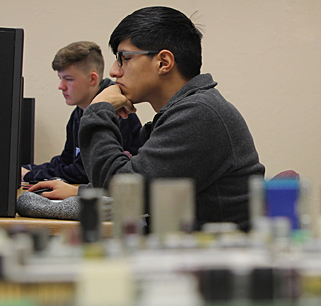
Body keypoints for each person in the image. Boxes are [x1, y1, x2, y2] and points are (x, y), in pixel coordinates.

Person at [78, 6, 265, 230]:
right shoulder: (192, 109)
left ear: (164, 62)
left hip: (210, 259)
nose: (113, 71)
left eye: (124, 58)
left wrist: (98, 109)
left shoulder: (200, 114)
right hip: (193, 252)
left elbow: (125, 193)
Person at [22, 41, 143, 200]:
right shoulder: (79, 112)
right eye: (60, 78)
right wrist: (29, 169)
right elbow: (67, 160)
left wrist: (32, 175)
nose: (61, 86)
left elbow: (84, 171)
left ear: (92, 79)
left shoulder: (117, 112)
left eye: (68, 79)